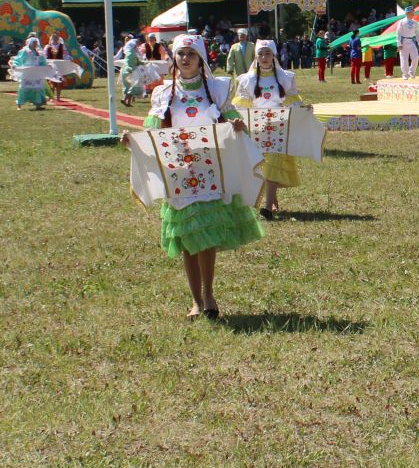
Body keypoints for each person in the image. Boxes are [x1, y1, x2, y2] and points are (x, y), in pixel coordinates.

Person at [125, 34, 264, 318]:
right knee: (187, 235)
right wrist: (134, 141)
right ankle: (195, 301)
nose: (185, 59)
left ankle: (209, 294)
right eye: (180, 54)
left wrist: (236, 125)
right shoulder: (163, 94)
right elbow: (152, 130)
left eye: (191, 54)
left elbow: (233, 122)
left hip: (209, 170)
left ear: (200, 59)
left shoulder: (216, 88)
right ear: (174, 58)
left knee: (207, 235)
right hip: (178, 172)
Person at [236, 40, 304, 215]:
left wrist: (303, 109)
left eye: (267, 53)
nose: (264, 57)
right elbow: (241, 105)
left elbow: (292, 100)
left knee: (274, 162)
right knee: (263, 165)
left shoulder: (285, 77)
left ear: (274, 55)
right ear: (256, 57)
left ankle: (267, 207)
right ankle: (273, 202)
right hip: (257, 126)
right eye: (260, 54)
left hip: (278, 126)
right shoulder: (247, 79)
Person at [11, 35, 50, 110]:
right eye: (33, 43)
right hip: (27, 72)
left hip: (36, 73)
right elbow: (18, 60)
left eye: (36, 43)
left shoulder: (38, 53)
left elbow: (42, 62)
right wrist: (15, 65)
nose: (35, 45)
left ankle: (38, 104)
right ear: (30, 43)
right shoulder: (24, 52)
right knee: (24, 88)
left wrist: (46, 66)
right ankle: (19, 105)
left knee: (37, 88)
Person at [396, 11, 419, 80]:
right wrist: (399, 43)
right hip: (403, 41)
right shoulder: (401, 22)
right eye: (411, 12)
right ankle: (405, 74)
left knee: (416, 57)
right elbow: (398, 33)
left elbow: (417, 33)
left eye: (413, 12)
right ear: (407, 13)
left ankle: (412, 72)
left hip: (412, 41)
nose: (413, 14)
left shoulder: (415, 22)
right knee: (404, 58)